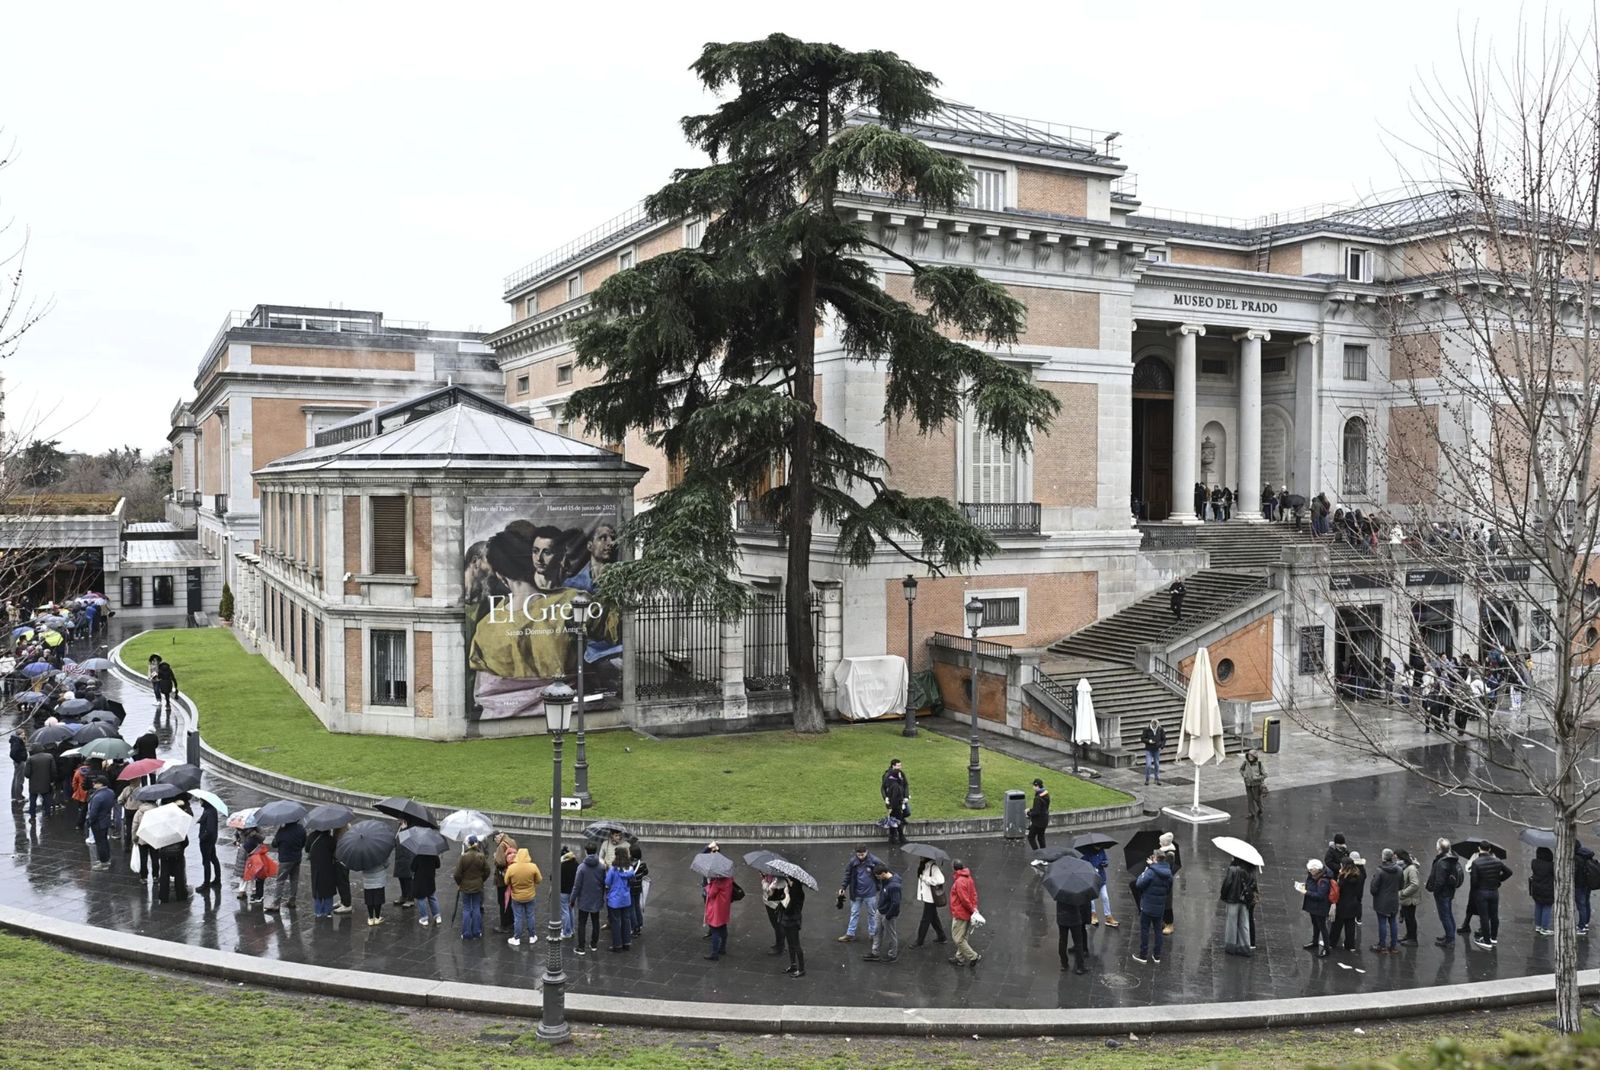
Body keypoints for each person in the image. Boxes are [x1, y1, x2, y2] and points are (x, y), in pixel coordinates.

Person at [1468, 844, 1513, 948]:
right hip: (1494, 892)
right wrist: (1498, 880)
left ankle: (1486, 940)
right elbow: (1509, 872)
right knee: (1494, 915)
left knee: (1484, 916)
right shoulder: (1497, 861)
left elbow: (1474, 882)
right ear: (1489, 849)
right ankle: (1493, 938)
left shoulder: (1476, 863)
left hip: (1481, 892)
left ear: (1479, 849)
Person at [836, 844, 881, 944]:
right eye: (859, 854)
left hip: (870, 893)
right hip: (856, 893)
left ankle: (873, 934)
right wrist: (843, 887)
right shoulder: (853, 862)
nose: (860, 856)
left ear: (867, 852)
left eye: (862, 854)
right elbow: (847, 875)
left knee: (872, 914)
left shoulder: (874, 861)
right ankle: (850, 934)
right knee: (854, 913)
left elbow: (883, 872)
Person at [1133, 851, 1174, 964]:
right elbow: (1168, 890)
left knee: (1145, 930)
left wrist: (1145, 871)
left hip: (1147, 907)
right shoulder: (1169, 874)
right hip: (1160, 907)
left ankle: (1143, 955)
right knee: (1158, 931)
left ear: (1155, 858)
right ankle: (1157, 956)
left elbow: (1139, 884)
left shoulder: (1150, 872)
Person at [1425, 838, 1463, 946]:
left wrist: (1435, 891)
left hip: (1443, 893)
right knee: (1449, 914)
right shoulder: (1451, 858)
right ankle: (1449, 935)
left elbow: (1440, 881)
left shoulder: (1442, 862)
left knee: (1445, 916)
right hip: (1449, 891)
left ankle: (1450, 939)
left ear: (1439, 848)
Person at [569, 842, 604, 954]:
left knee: (582, 923)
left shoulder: (582, 867)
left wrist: (572, 899)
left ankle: (581, 947)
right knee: (595, 922)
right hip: (596, 898)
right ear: (596, 851)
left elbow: (577, 886)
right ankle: (594, 944)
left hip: (584, 899)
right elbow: (603, 883)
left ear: (586, 851)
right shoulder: (601, 867)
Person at [505, 847, 543, 947]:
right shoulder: (533, 867)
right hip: (530, 896)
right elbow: (539, 880)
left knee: (518, 918)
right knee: (530, 916)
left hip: (516, 897)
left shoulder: (512, 868)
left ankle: (517, 938)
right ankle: (532, 936)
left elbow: (506, 881)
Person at [264, 819, 304, 913]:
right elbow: (303, 843)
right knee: (294, 880)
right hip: (297, 858)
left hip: (285, 859)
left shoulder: (282, 831)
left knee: (280, 881)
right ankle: (292, 900)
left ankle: (276, 903)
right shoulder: (301, 829)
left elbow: (274, 844)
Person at [865, 863, 902, 964]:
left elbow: (896, 903)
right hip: (880, 910)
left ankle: (892, 955)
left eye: (878, 876)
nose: (877, 878)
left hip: (888, 914)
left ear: (883, 874)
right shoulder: (886, 879)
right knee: (877, 932)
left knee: (891, 935)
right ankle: (875, 952)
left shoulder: (894, 886)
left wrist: (888, 916)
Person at [1220, 856, 1257, 956]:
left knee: (1231, 923)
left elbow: (1227, 884)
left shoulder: (1232, 869)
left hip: (1233, 899)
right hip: (1245, 901)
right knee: (1244, 924)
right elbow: (1253, 885)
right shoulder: (1251, 870)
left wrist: (1223, 896)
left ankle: (1231, 946)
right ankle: (1244, 947)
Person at [947, 859, 981, 966]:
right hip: (968, 913)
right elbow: (974, 894)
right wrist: (974, 908)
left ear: (954, 868)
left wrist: (971, 909)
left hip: (960, 913)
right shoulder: (968, 878)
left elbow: (964, 899)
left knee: (957, 938)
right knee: (963, 936)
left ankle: (973, 956)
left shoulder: (959, 881)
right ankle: (959, 958)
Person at [1369, 848, 1402, 953]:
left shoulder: (1380, 871)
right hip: (1394, 900)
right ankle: (1393, 946)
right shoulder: (1399, 870)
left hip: (1382, 901)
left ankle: (1382, 945)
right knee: (1393, 922)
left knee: (1382, 922)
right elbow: (1401, 885)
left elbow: (1374, 888)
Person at [1328, 858, 1364, 952]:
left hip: (1342, 904)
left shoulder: (1343, 877)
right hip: (1353, 903)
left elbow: (1338, 890)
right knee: (1350, 926)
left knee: (1337, 925)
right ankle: (1350, 945)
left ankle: (1332, 943)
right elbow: (1359, 892)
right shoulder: (1359, 876)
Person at [775, 874, 806, 977]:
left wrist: (787, 895)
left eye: (790, 880)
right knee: (790, 944)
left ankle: (801, 969)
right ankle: (793, 964)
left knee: (796, 944)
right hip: (786, 920)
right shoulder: (791, 890)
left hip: (792, 921)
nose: (788, 882)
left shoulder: (797, 894)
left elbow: (789, 909)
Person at [912, 857, 947, 947]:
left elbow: (941, 880)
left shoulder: (933, 867)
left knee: (925, 920)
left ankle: (919, 941)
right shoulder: (924, 866)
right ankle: (942, 936)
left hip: (931, 898)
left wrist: (925, 878)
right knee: (933, 918)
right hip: (927, 897)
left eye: (922, 856)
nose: (920, 857)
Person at [604, 847, 634, 952]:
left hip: (614, 900)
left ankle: (617, 945)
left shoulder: (613, 869)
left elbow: (607, 882)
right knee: (626, 920)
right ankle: (626, 943)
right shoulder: (630, 869)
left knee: (616, 922)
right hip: (626, 899)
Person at [307, 826, 341, 919]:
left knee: (317, 889)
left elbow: (307, 849)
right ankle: (328, 911)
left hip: (315, 868)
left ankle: (318, 911)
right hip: (328, 868)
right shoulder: (330, 840)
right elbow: (334, 851)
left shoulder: (311, 836)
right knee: (328, 890)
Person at [1300, 859, 1332, 956]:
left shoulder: (1324, 880)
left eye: (1311, 870)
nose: (1309, 871)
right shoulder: (1312, 876)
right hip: (1312, 906)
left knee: (1322, 927)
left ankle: (1327, 948)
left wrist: (1306, 892)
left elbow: (1320, 895)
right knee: (1315, 924)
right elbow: (1310, 884)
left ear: (1316, 869)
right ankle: (1315, 941)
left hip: (1320, 907)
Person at [1081, 842, 1116, 928]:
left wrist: (1105, 863)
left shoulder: (1101, 851)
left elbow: (1105, 860)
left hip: (1101, 878)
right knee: (1091, 898)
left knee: (1105, 897)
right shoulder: (1087, 853)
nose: (1098, 848)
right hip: (1091, 879)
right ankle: (1093, 914)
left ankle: (1108, 916)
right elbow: (1083, 863)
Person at [85, 775, 115, 870]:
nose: (93, 783)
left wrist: (89, 822)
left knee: (100, 843)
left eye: (96, 782)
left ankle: (104, 863)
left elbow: (93, 813)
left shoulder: (98, 797)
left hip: (98, 823)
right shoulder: (110, 792)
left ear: (101, 784)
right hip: (105, 821)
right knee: (104, 841)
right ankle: (106, 859)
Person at [490, 832, 518, 933]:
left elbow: (500, 862)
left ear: (498, 836)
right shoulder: (512, 841)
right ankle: (511, 922)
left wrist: (495, 858)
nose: (496, 842)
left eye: (495, 840)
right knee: (509, 900)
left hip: (502, 878)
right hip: (512, 874)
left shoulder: (502, 845)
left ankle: (504, 925)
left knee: (502, 901)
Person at [1057, 891, 1091, 974]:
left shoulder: (1059, 887)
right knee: (1078, 942)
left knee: (1062, 941)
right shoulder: (1077, 889)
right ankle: (1080, 967)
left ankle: (1064, 964)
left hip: (1062, 918)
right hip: (1074, 919)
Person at [703, 872, 734, 961]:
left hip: (716, 909)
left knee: (714, 930)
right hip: (724, 908)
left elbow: (711, 893)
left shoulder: (718, 883)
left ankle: (714, 953)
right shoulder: (729, 878)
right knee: (723, 926)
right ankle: (722, 948)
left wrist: (708, 884)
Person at [1397, 849, 1422, 946]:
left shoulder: (1411, 869)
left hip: (1410, 899)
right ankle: (1409, 935)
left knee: (1410, 918)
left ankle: (1413, 939)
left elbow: (1415, 884)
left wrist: (1403, 893)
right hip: (1407, 899)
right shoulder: (1406, 867)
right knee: (1408, 918)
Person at [882, 760, 909, 846]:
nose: (900, 767)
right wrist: (890, 805)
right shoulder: (893, 782)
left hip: (896, 804)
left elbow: (905, 785)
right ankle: (897, 837)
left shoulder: (898, 778)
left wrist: (906, 797)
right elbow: (885, 789)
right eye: (898, 765)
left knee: (895, 820)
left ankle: (894, 837)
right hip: (895, 805)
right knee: (896, 820)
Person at [412, 846, 441, 927]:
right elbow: (438, 865)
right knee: (432, 896)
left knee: (421, 898)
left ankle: (424, 919)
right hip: (430, 879)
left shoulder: (418, 856)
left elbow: (412, 868)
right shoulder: (434, 855)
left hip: (420, 881)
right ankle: (437, 916)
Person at [196, 797, 221, 890]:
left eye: (201, 800)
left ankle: (206, 884)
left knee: (206, 861)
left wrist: (202, 838)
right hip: (211, 840)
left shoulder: (209, 812)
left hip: (207, 841)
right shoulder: (210, 810)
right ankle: (217, 879)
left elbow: (210, 829)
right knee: (213, 858)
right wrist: (201, 820)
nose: (200, 802)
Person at [1530, 846, 1556, 936]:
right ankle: (1544, 928)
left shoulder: (1534, 862)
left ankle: (1538, 925)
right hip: (1548, 889)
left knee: (1538, 906)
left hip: (1536, 888)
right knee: (1547, 907)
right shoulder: (1551, 865)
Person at [761, 872, 788, 954]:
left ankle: (780, 947)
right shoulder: (773, 877)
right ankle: (780, 945)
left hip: (774, 905)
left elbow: (769, 891)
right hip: (771, 903)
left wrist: (764, 882)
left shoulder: (779, 881)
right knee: (777, 925)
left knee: (777, 925)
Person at [25, 746, 54, 818]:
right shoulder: (49, 757)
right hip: (46, 782)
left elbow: (27, 774)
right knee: (47, 798)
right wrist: (52, 780)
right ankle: (47, 814)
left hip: (33, 784)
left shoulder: (30, 759)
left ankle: (32, 815)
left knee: (32, 800)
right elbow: (53, 771)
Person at [558, 845, 578, 939]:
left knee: (565, 911)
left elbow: (553, 877)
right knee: (571, 909)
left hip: (563, 891)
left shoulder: (562, 866)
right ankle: (572, 929)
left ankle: (566, 932)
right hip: (573, 891)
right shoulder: (576, 865)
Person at [1240, 750, 1267, 819]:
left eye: (1252, 756)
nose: (1250, 757)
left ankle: (1261, 808)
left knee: (1257, 798)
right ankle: (1251, 813)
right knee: (1250, 799)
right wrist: (1244, 775)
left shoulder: (1259, 764)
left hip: (1256, 784)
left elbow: (1265, 775)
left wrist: (1257, 778)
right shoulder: (1245, 763)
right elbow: (1241, 770)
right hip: (1248, 784)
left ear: (1255, 757)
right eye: (1249, 755)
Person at [1141, 718, 1166, 786]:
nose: (1155, 727)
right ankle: (1147, 779)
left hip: (1156, 749)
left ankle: (1157, 779)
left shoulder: (1160, 729)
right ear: (1151, 724)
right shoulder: (1146, 729)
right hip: (1149, 749)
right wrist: (1149, 741)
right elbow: (1142, 738)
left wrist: (1161, 746)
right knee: (1148, 765)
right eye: (1154, 725)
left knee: (1157, 765)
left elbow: (1164, 739)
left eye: (1156, 725)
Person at [1026, 779, 1050, 850]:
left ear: (1037, 786)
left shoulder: (1037, 798)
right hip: (1044, 820)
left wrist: (1028, 813)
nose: (1033, 787)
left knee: (1031, 837)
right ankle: (1044, 854)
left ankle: (1037, 854)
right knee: (1041, 837)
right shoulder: (1046, 794)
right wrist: (1030, 809)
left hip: (1038, 823)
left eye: (1033, 785)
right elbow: (1042, 808)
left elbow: (1036, 812)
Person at [9, 726, 25, 803]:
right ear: (18, 735)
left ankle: (14, 796)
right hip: (20, 762)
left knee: (16, 778)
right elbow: (12, 754)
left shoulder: (15, 740)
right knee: (19, 780)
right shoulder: (17, 741)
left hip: (18, 762)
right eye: (22, 734)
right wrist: (19, 760)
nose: (24, 736)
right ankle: (19, 797)